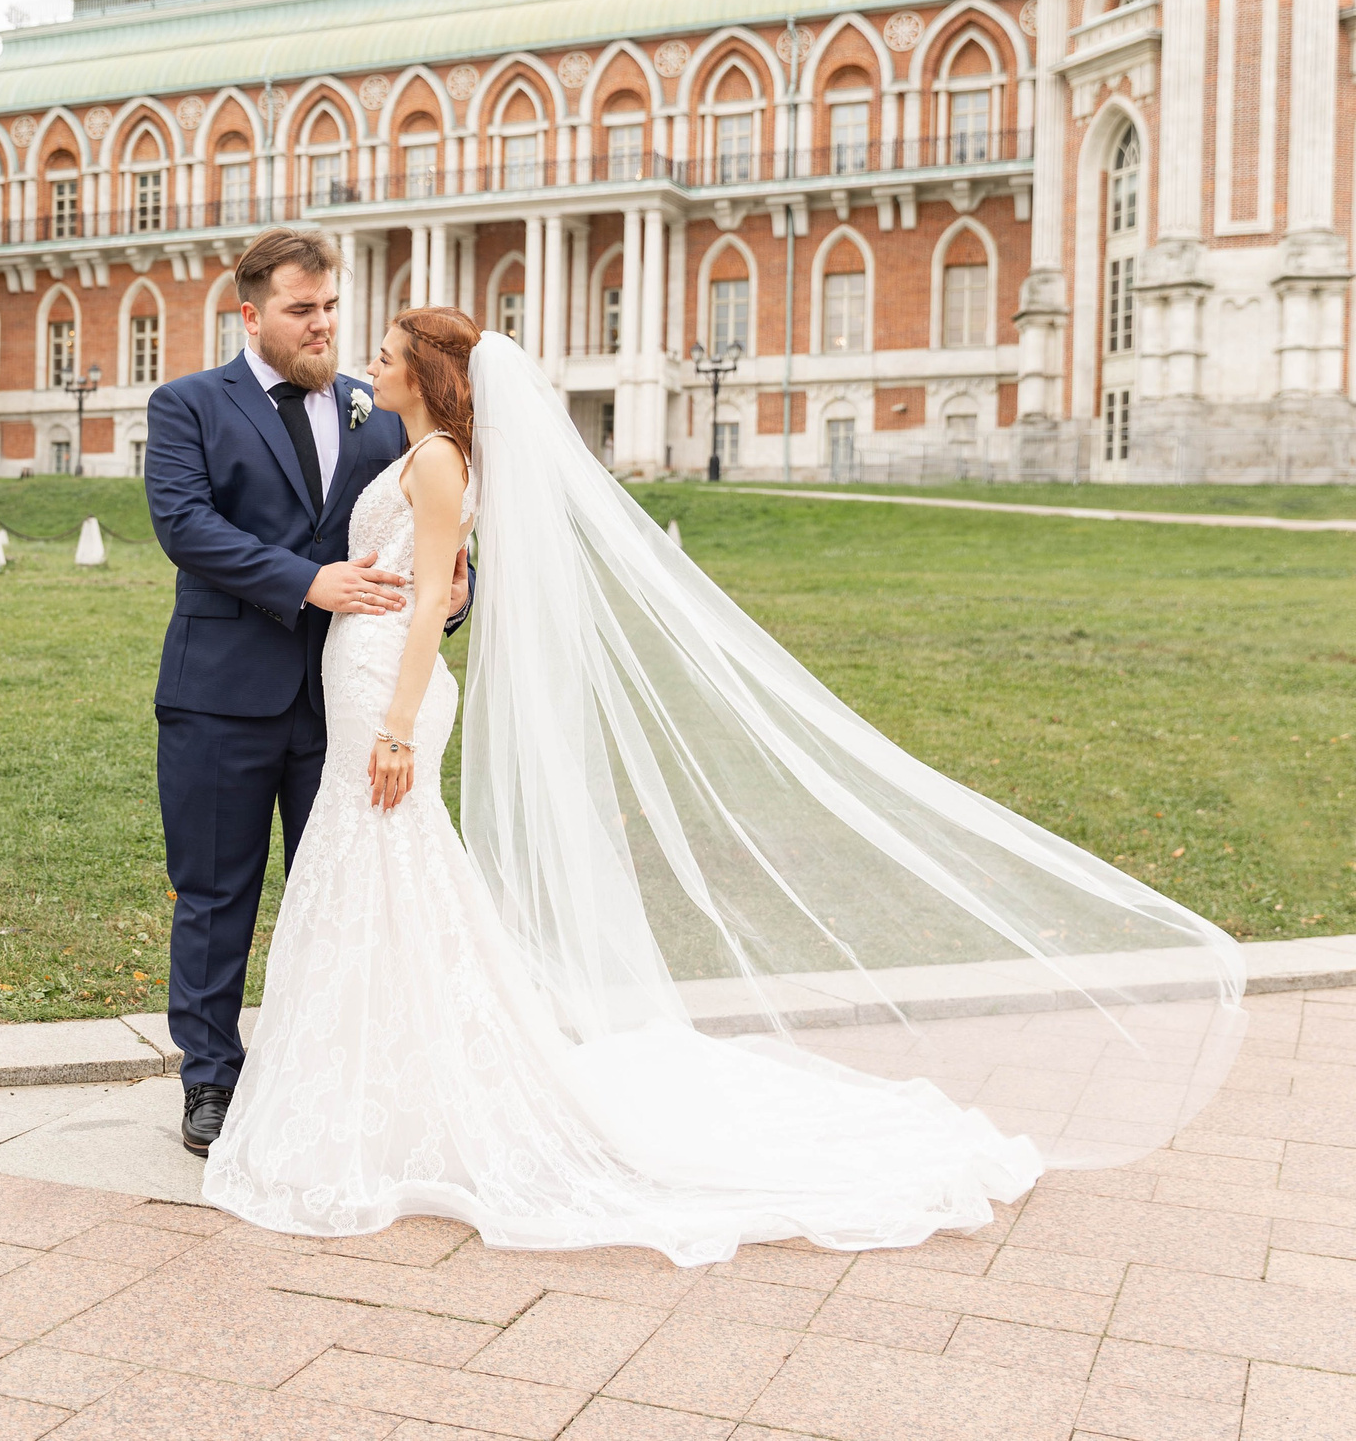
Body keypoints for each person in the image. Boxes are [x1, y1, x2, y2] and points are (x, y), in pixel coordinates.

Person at [198, 311, 1245, 1265]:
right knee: (380, 874)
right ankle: (394, 1078)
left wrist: (394, 726)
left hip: (388, 691)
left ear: (424, 374)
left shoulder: (431, 463)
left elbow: (430, 601)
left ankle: (408, 1088)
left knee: (391, 866)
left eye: (386, 352)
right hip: (369, 676)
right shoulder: (426, 454)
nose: (370, 363)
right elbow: (434, 581)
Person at [143, 229, 468, 1156]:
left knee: (342, 888)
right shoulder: (188, 405)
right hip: (220, 693)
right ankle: (210, 1077)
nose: (323, 325)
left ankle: (339, 1071)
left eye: (330, 307)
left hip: (347, 700)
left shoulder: (378, 405)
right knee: (215, 890)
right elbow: (186, 526)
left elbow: (427, 523)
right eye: (301, 310)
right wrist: (305, 581)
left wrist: (456, 589)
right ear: (251, 315)